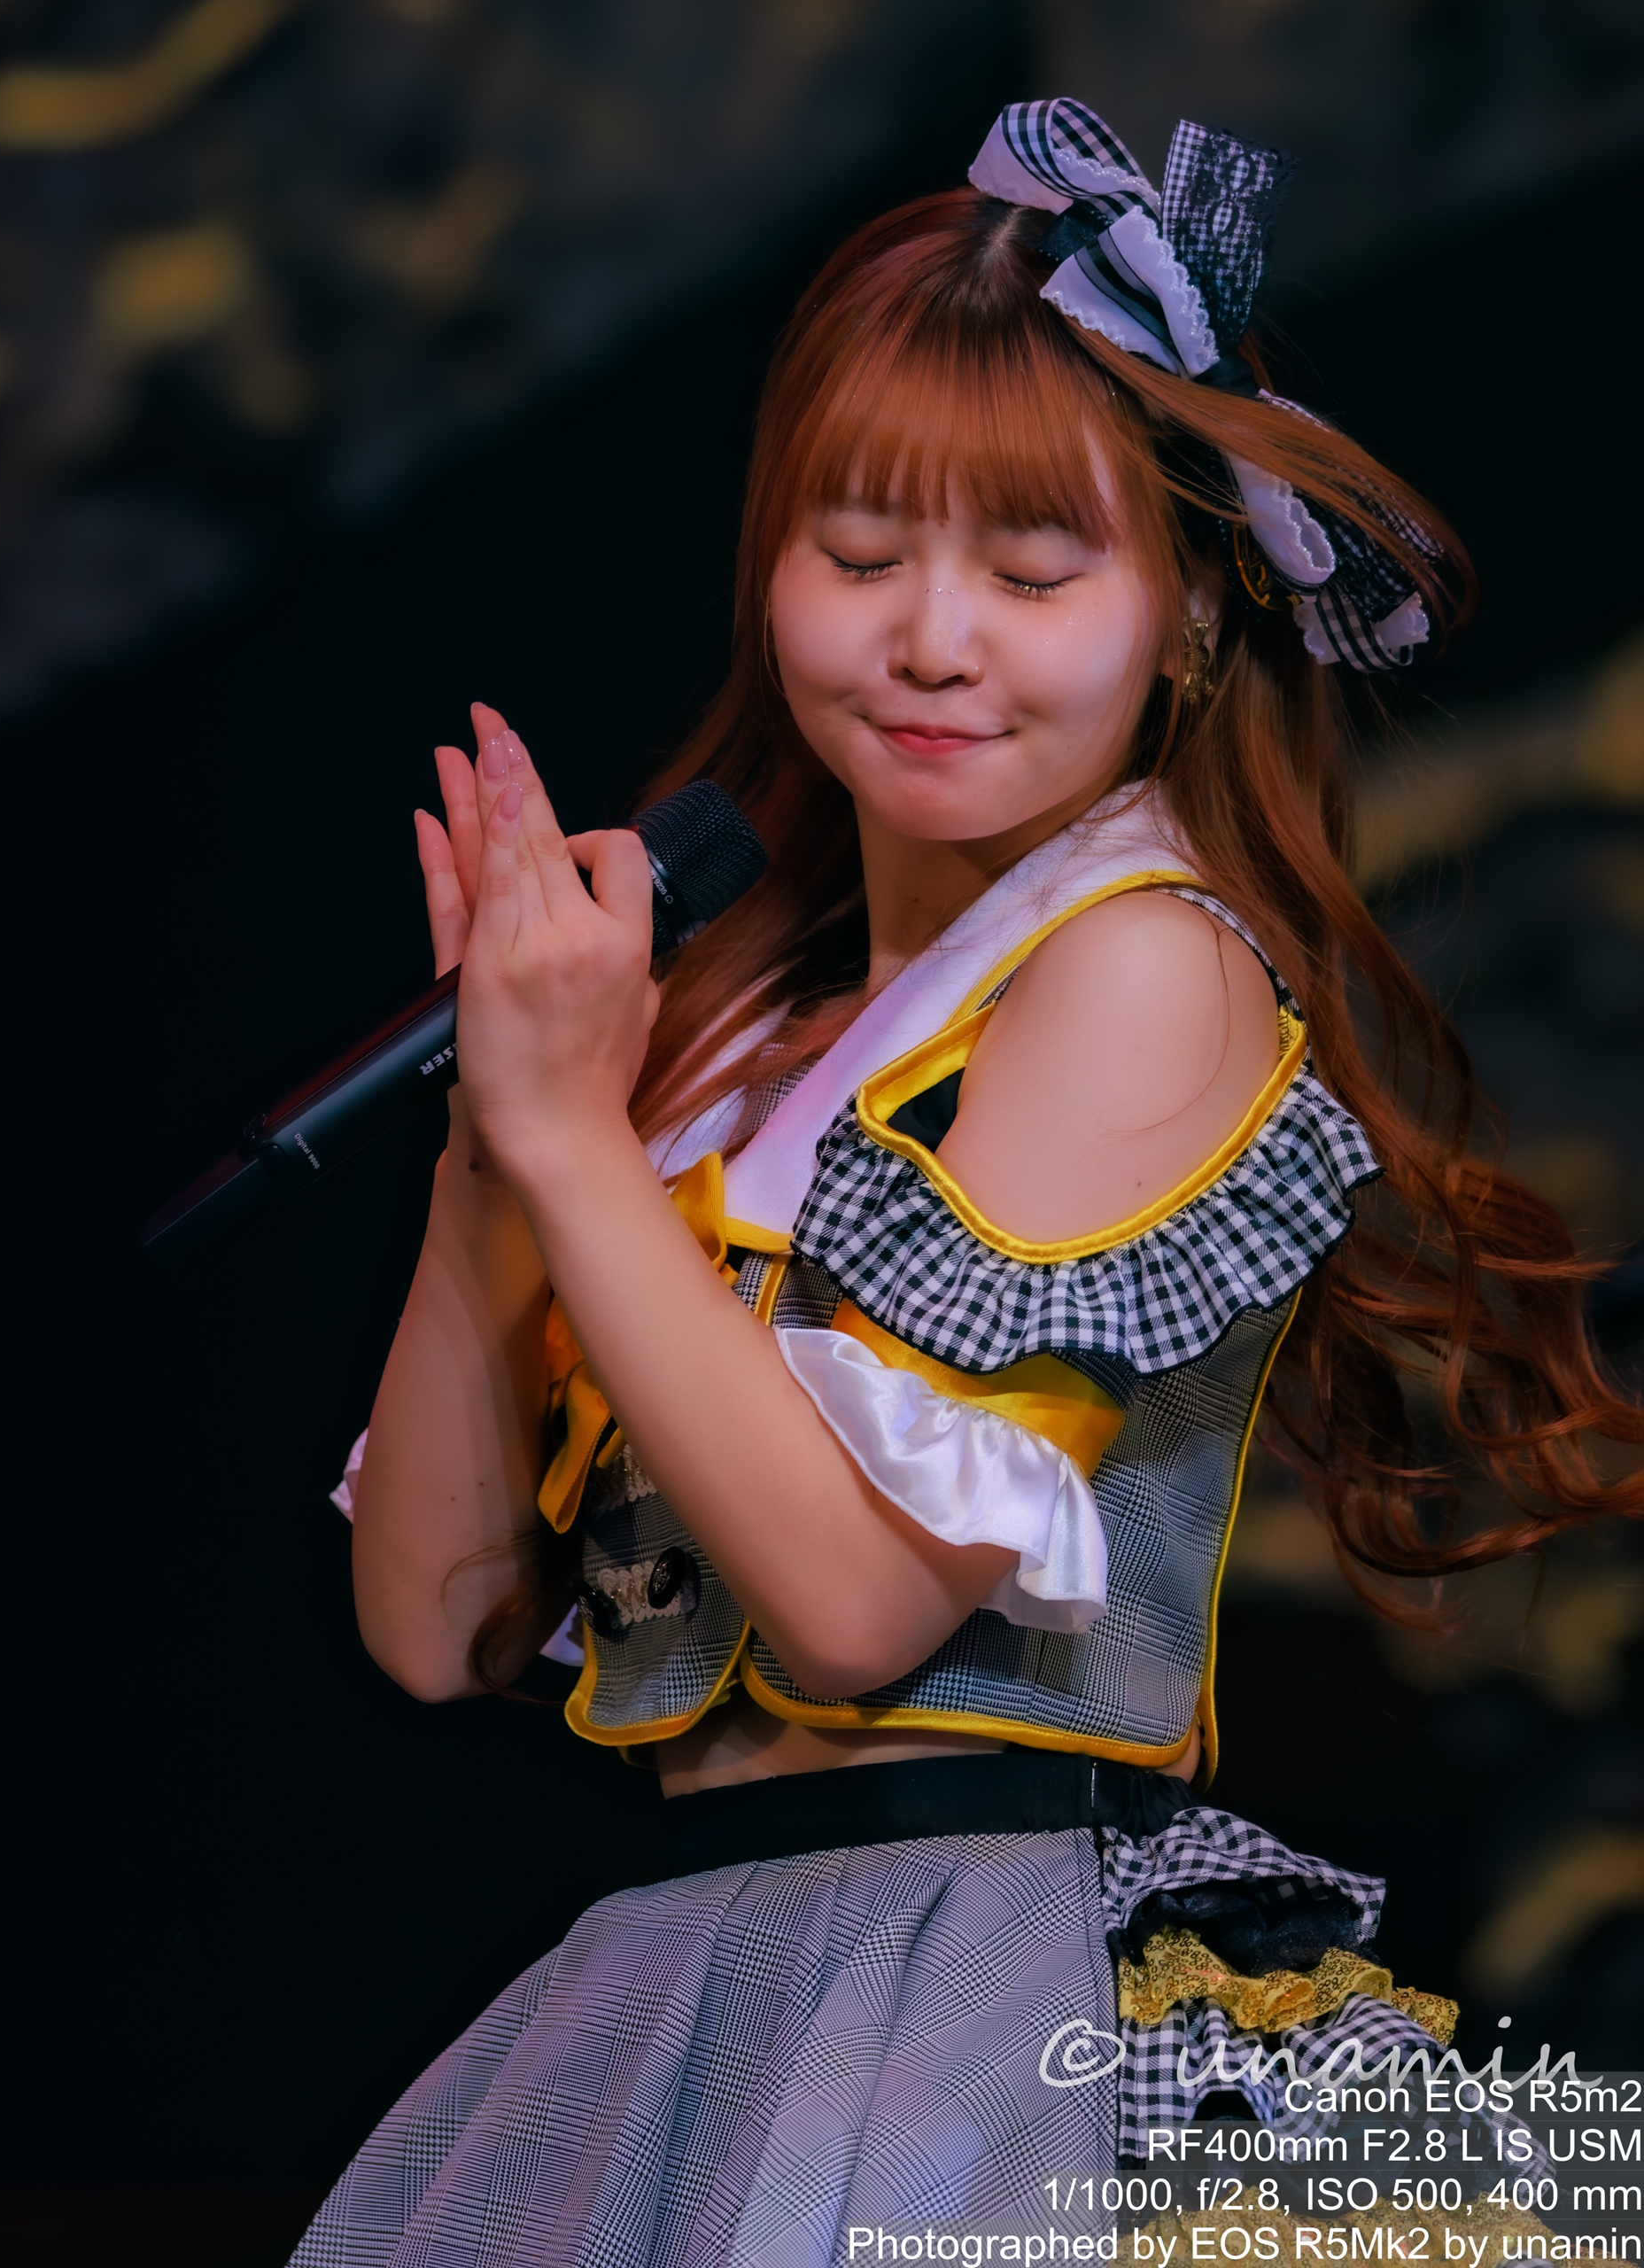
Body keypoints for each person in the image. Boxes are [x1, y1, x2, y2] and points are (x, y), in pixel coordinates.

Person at [292, 99, 1643, 2267]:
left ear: (1184, 611)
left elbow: (858, 1607)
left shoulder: (1141, 960)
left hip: (993, 1981)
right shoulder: (739, 1024)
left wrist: (564, 1137)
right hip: (707, 1973)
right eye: (857, 555)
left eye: (1029, 574)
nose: (932, 639)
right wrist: (491, 1147)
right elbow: (437, 1628)